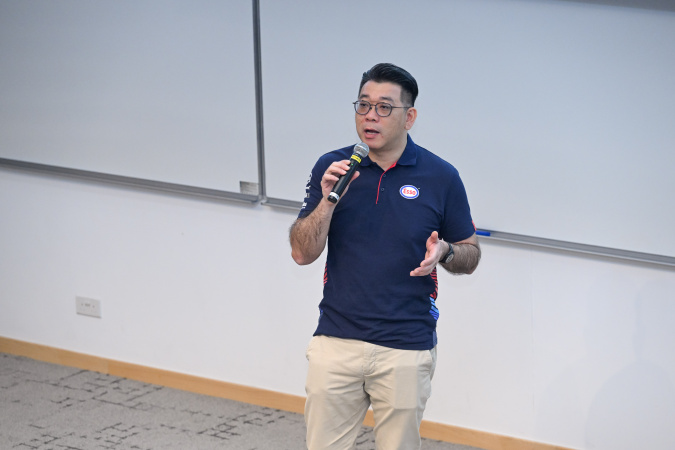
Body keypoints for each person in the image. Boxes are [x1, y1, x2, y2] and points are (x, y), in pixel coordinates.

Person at [289, 62, 481, 450]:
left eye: (384, 107)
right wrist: (328, 201)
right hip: (337, 337)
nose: (370, 116)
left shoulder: (441, 176)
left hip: (405, 343)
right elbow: (301, 252)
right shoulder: (334, 166)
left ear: (409, 117)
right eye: (363, 105)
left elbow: (471, 254)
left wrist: (444, 251)